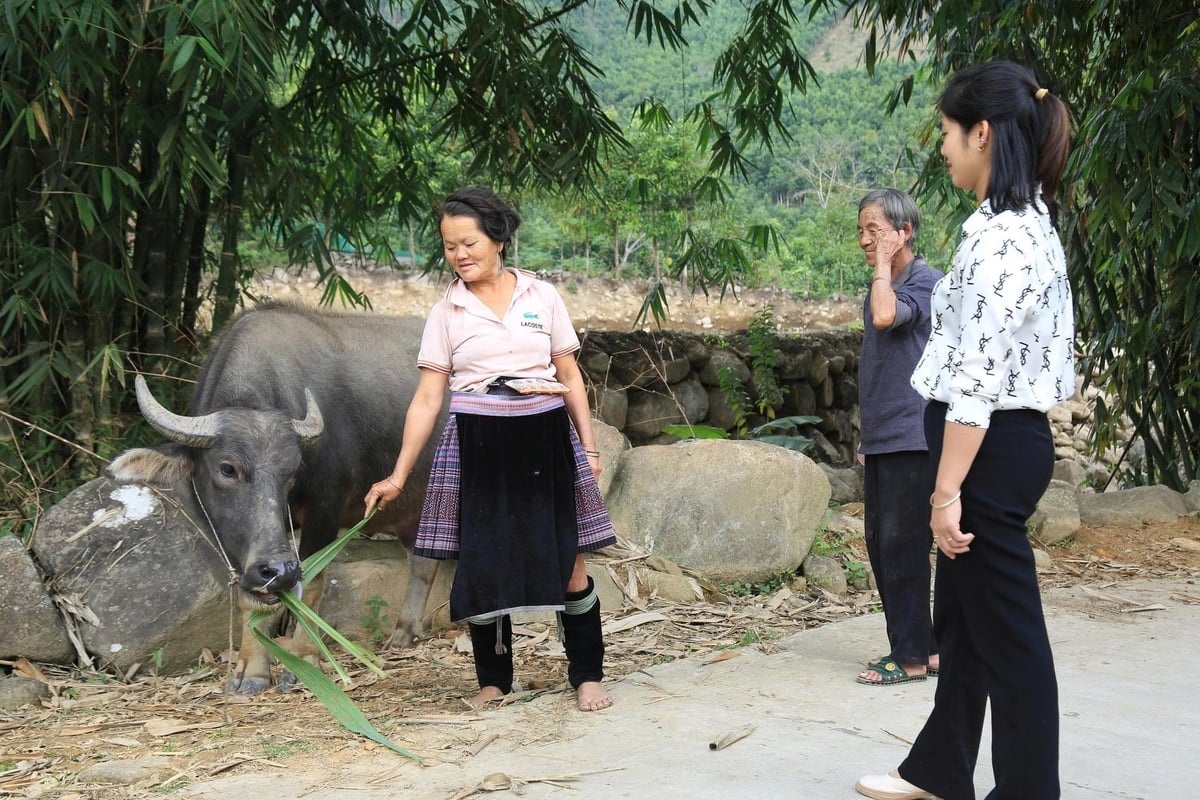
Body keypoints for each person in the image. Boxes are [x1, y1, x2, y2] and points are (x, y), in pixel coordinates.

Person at [857, 60, 1073, 800]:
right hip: (987, 444)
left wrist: (946, 491)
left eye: (949, 133)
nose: (943, 147)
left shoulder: (1005, 237)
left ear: (983, 133)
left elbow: (979, 379)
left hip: (987, 449)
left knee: (1010, 642)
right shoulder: (1003, 224)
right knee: (966, 625)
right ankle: (942, 768)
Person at [364, 187, 617, 712]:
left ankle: (587, 675)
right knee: (482, 563)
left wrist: (589, 451)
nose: (460, 254)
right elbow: (429, 397)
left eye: (470, 242)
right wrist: (396, 475)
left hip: (544, 438)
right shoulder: (446, 312)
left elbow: (569, 375)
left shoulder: (541, 296)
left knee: (569, 561)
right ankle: (494, 682)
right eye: (450, 246)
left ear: (498, 239)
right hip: (478, 442)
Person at [855, 189, 941, 687]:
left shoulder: (926, 283)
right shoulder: (882, 284)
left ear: (905, 232)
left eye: (875, 230)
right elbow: (881, 362)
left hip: (915, 434)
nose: (865, 240)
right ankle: (924, 648)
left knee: (902, 544)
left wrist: (883, 268)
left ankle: (907, 656)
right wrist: (867, 435)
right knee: (882, 544)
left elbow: (888, 317)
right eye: (861, 231)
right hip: (886, 435)